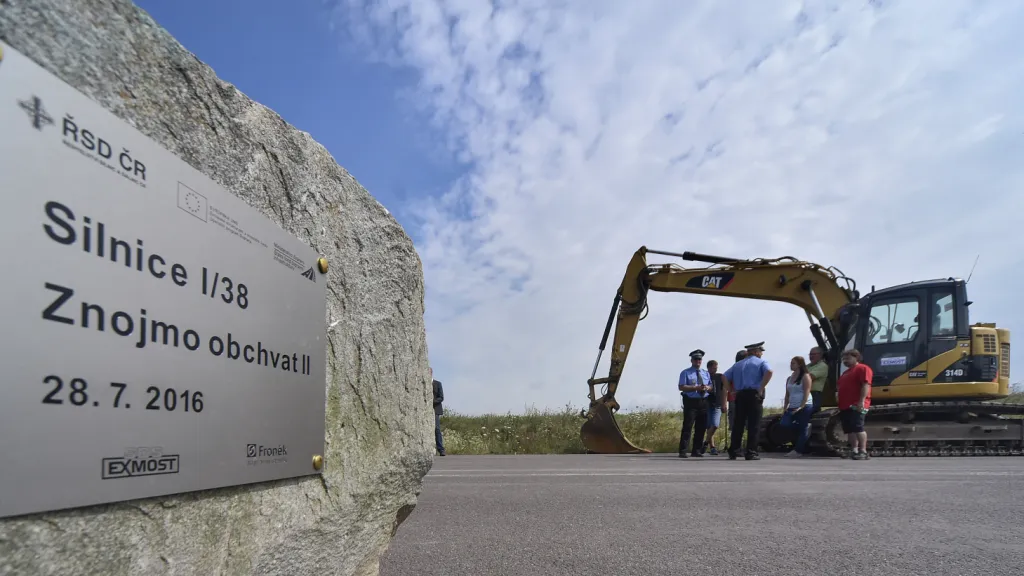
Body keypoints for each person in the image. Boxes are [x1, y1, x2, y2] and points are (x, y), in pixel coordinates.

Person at [722, 342, 773, 460]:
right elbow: (769, 372)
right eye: (760, 351)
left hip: (740, 394)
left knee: (738, 423)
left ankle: (734, 450)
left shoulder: (737, 364)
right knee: (754, 424)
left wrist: (731, 390)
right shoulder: (761, 362)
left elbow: (724, 376)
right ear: (755, 352)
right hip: (754, 394)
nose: (761, 354)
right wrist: (761, 387)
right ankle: (751, 452)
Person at [837, 349, 872, 460]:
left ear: (856, 357)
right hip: (845, 405)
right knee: (850, 429)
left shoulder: (863, 368)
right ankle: (854, 450)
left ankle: (863, 451)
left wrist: (861, 401)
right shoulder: (845, 373)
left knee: (858, 427)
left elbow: (866, 385)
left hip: (857, 404)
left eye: (848, 358)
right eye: (843, 359)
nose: (845, 361)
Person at [677, 349, 711, 458]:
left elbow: (711, 386)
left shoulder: (705, 373)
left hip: (703, 401)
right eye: (696, 359)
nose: (698, 361)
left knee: (701, 428)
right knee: (688, 426)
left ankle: (696, 450)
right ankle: (683, 450)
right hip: (691, 402)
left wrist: (707, 387)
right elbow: (681, 387)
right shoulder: (686, 372)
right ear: (691, 360)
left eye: (699, 359)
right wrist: (695, 388)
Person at [780, 355, 814, 457]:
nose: (791, 365)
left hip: (804, 405)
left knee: (802, 428)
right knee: (784, 424)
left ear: (799, 364)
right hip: (792, 405)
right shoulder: (789, 378)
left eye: (793, 363)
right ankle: (806, 428)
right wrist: (785, 407)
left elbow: (807, 391)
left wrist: (801, 406)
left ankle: (798, 450)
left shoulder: (805, 376)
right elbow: (787, 394)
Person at [701, 359, 727, 455]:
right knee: (709, 426)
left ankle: (705, 442)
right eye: (713, 368)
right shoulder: (704, 376)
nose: (715, 370)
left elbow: (724, 390)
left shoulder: (720, 377)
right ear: (708, 368)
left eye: (716, 368)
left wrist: (724, 403)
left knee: (715, 425)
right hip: (707, 403)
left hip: (717, 404)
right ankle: (712, 447)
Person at [807, 346, 828, 413]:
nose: (811, 356)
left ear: (820, 355)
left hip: (815, 394)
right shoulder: (807, 366)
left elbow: (809, 377)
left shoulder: (822, 366)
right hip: (804, 393)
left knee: (812, 413)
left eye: (814, 354)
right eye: (810, 354)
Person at [431, 368, 446, 456]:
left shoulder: (438, 383)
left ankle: (441, 449)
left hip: (435, 409)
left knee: (437, 429)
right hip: (425, 411)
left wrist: (432, 402)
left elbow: (441, 397)